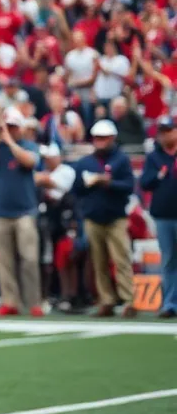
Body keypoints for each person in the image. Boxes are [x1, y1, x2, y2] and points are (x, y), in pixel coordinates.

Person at [0, 107, 43, 316]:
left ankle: (33, 301)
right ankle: (10, 301)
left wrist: (10, 141)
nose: (9, 130)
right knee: (4, 260)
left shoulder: (28, 145)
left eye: (13, 127)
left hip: (24, 210)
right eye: (6, 127)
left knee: (29, 258)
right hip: (0, 211)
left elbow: (30, 161)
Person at [72, 120, 137, 317]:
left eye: (103, 138)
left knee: (121, 259)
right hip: (93, 216)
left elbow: (128, 186)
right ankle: (106, 299)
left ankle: (128, 300)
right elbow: (77, 190)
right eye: (97, 138)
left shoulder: (121, 160)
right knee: (98, 261)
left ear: (112, 139)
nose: (99, 142)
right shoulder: (85, 163)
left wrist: (109, 183)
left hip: (116, 216)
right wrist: (89, 184)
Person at [35, 143, 80, 312]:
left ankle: (69, 296)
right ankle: (51, 295)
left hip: (64, 222)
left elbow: (50, 185)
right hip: (49, 221)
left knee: (65, 260)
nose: (46, 161)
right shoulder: (47, 171)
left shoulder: (66, 171)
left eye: (49, 158)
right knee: (48, 259)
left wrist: (40, 178)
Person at [140, 116, 177, 318]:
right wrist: (159, 176)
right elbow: (145, 183)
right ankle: (170, 303)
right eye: (162, 131)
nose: (166, 135)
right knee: (169, 260)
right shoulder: (155, 157)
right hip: (163, 215)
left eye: (169, 130)